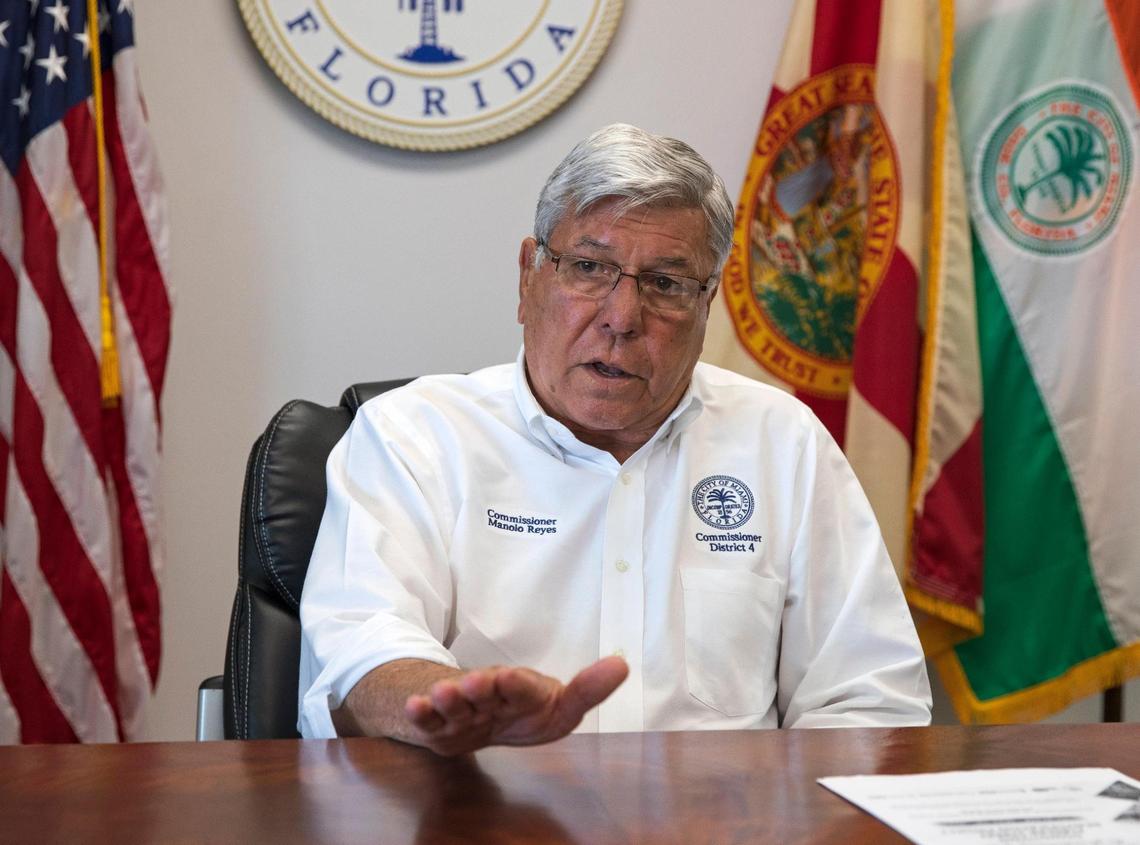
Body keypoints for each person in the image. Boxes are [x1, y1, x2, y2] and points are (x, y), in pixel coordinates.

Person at [298, 123, 932, 754]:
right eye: (589, 267)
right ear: (529, 276)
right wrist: (449, 707)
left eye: (666, 283)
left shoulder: (781, 441)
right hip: (489, 812)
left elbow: (867, 696)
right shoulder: (416, 435)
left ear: (708, 301)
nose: (622, 318)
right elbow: (363, 651)